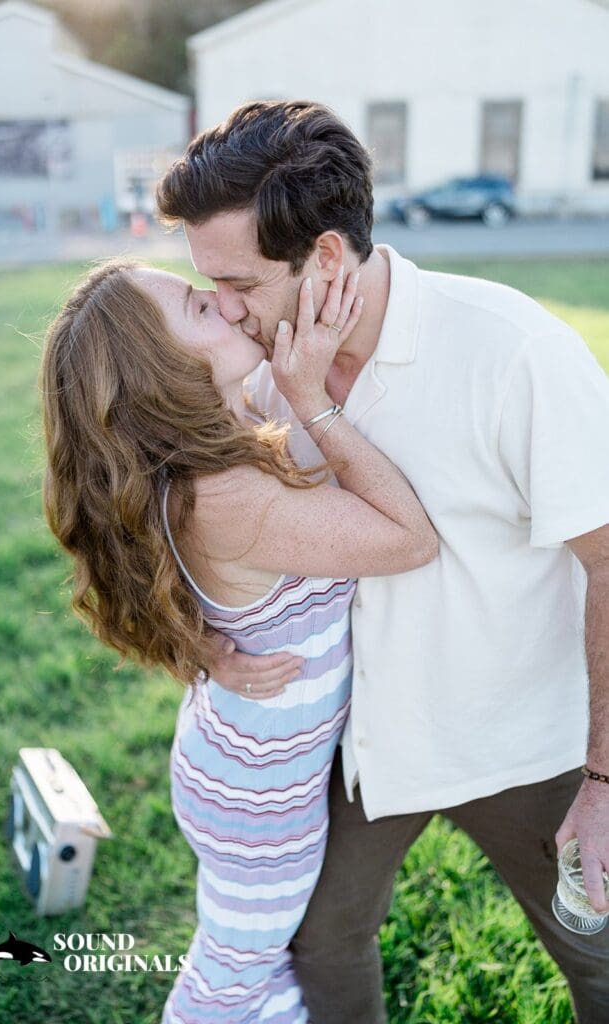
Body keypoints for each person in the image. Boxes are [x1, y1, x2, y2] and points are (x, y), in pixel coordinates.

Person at [155, 99, 609, 1023]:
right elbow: (162, 521)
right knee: (319, 946)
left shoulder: (513, 351)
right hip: (357, 746)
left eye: (238, 281)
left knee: (597, 958)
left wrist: (604, 782)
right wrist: (200, 639)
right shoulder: (243, 369)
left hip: (524, 743)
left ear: (323, 255)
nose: (223, 308)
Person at [39, 257, 437, 1023]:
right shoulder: (224, 496)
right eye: (198, 308)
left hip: (239, 763)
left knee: (262, 964)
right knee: (232, 975)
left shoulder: (207, 448)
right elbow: (408, 541)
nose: (226, 307)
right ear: (165, 371)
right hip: (261, 797)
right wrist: (311, 397)